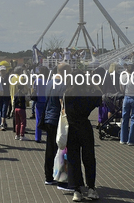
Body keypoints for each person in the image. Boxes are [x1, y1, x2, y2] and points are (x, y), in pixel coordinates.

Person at [64, 70, 102, 201]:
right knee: (89, 158)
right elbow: (99, 97)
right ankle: (91, 188)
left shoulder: (67, 94)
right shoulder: (86, 95)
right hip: (84, 128)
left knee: (73, 160)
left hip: (71, 129)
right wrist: (92, 82)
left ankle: (77, 190)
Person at [43, 62, 71, 190]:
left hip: (48, 117)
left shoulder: (50, 82)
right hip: (58, 120)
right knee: (61, 150)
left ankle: (48, 177)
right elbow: (62, 104)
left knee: (50, 149)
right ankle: (61, 180)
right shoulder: (63, 85)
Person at [119, 61, 134, 145]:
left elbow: (121, 88)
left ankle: (123, 139)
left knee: (125, 118)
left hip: (126, 97)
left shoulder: (123, 76)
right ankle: (131, 140)